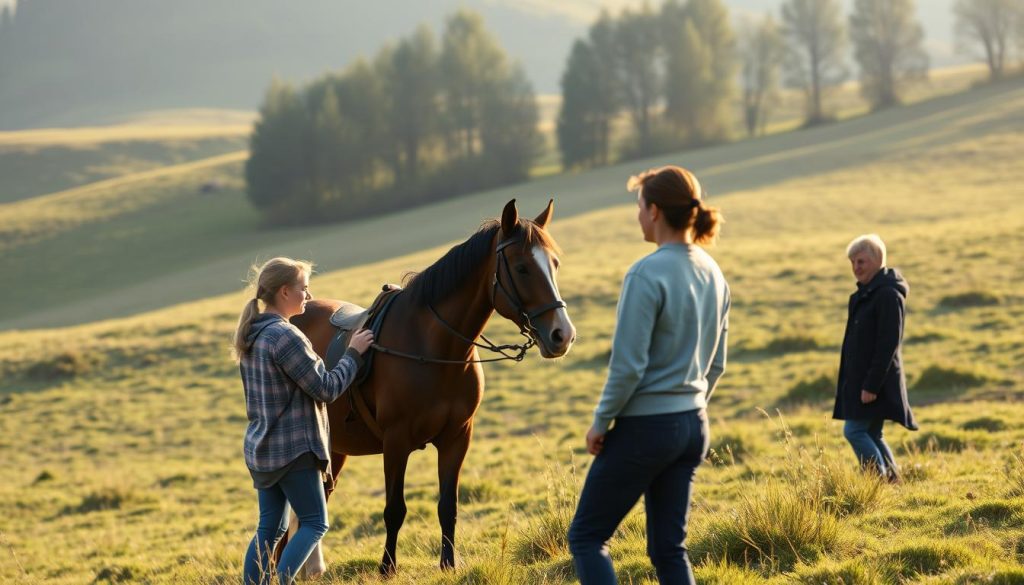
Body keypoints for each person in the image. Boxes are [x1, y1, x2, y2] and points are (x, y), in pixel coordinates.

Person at [568, 166, 730, 585]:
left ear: (655, 211)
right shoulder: (713, 272)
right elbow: (716, 365)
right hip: (694, 425)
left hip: (646, 429)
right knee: (668, 550)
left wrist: (601, 423)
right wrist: (687, 406)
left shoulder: (646, 273)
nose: (637, 216)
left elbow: (628, 367)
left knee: (587, 537)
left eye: (639, 207)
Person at [233, 257, 374, 585]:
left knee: (270, 529)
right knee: (314, 523)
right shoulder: (286, 337)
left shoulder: (251, 336)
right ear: (284, 292)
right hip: (294, 451)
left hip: (262, 449)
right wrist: (353, 352)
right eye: (304, 289)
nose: (309, 297)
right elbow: (326, 388)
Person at [834, 235, 917, 482]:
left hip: (873, 381)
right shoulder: (865, 294)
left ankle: (878, 481)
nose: (856, 268)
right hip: (862, 380)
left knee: (854, 430)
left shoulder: (888, 295)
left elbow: (888, 344)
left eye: (861, 261)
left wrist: (871, 385)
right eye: (852, 262)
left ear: (878, 260)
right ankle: (893, 482)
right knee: (872, 432)